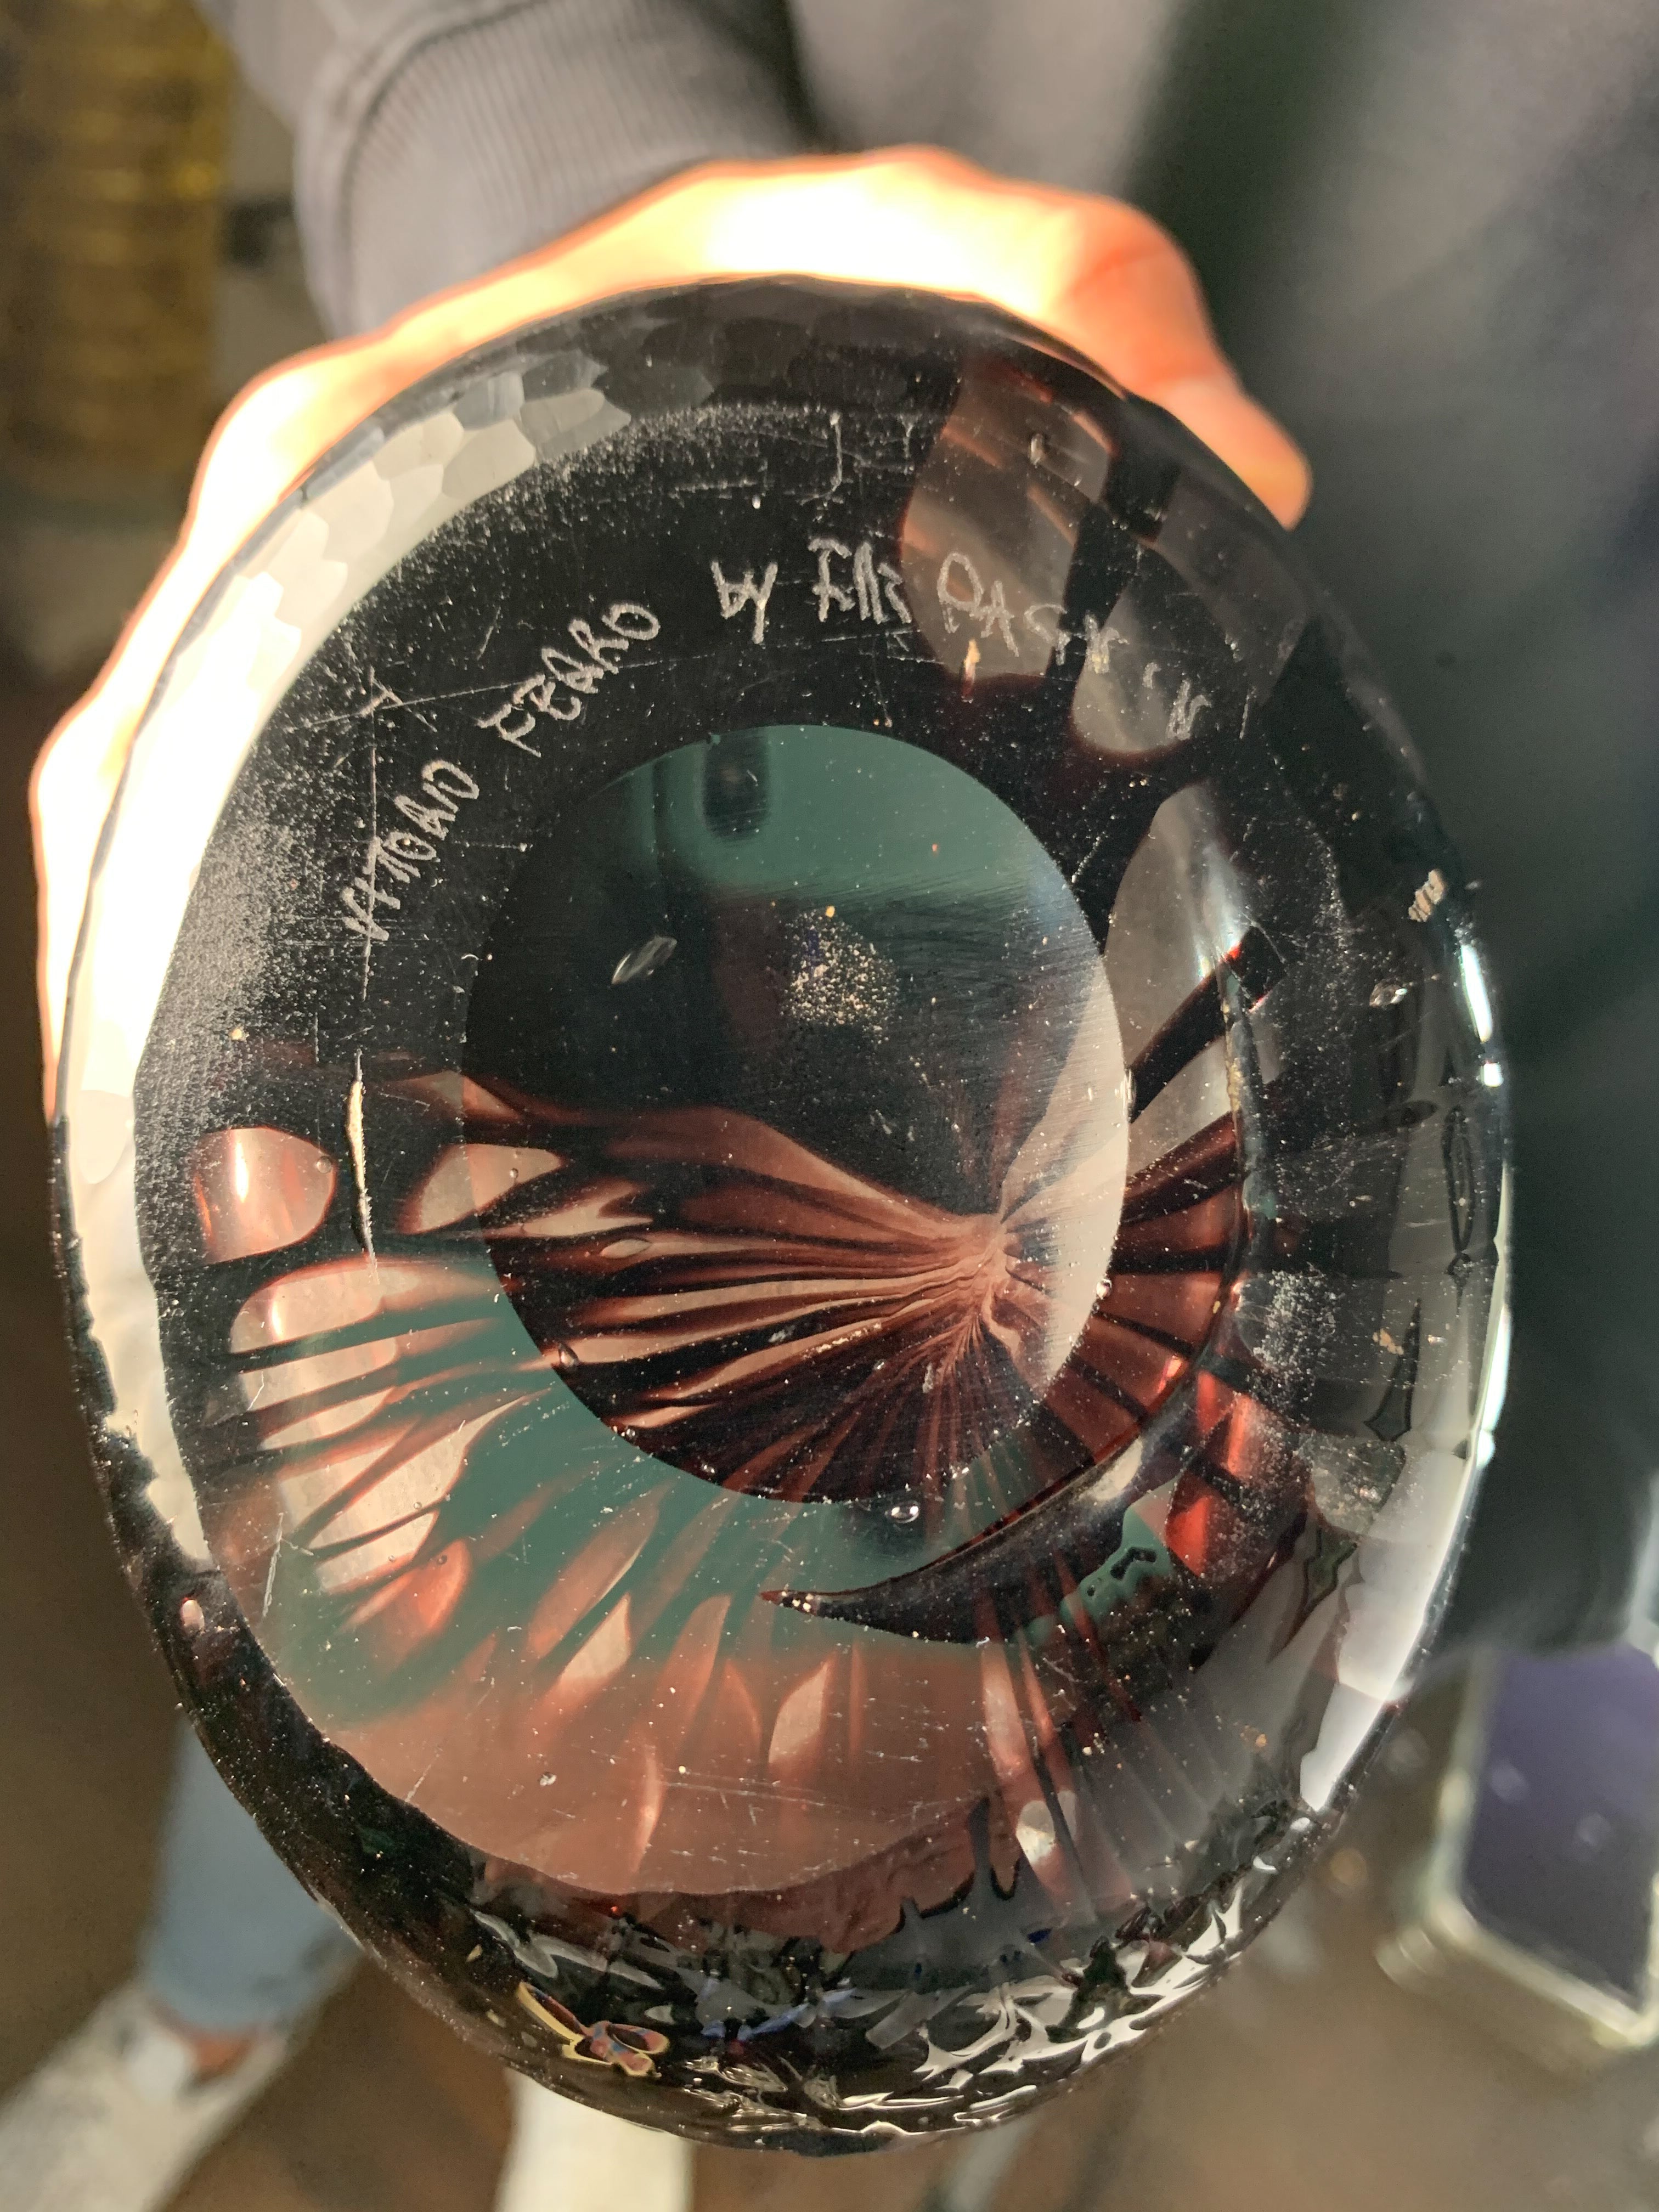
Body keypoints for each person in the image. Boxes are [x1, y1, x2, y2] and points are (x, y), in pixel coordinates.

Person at [5, 4, 1656, 2209]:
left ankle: (621, 2087)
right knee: (392, 1641)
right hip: (693, 607)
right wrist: (542, 155)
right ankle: (230, 2007)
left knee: (895, 1864)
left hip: (1426, 1339)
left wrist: (1589, 1470)